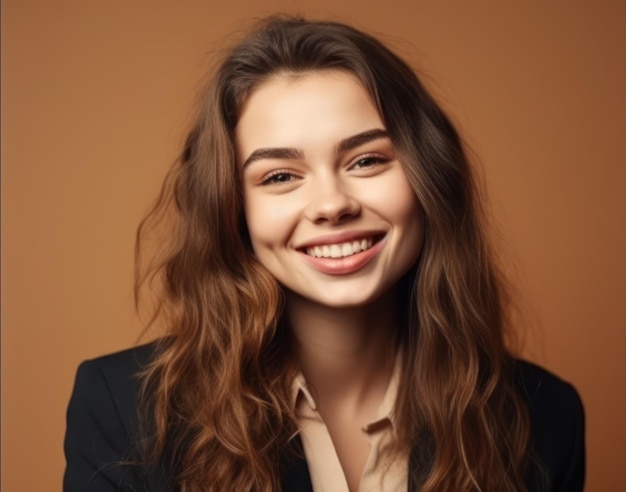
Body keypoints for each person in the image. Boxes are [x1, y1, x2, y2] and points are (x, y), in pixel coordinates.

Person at [63, 16, 585, 492]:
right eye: (280, 176)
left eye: (366, 160)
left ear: (430, 177)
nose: (332, 205)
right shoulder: (121, 410)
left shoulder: (547, 418)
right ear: (232, 208)